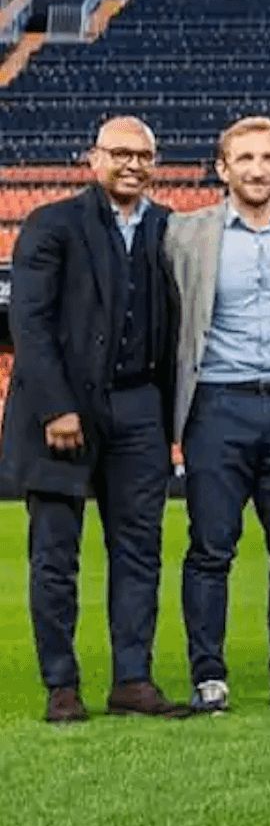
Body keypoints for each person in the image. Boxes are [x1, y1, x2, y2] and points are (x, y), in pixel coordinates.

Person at [4, 116, 187, 722]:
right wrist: (57, 407)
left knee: (139, 551)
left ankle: (132, 679)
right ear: (93, 159)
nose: (132, 164)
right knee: (55, 553)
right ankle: (61, 684)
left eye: (144, 155)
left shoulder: (168, 228)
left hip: (139, 405)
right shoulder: (51, 223)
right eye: (120, 153)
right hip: (61, 410)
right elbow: (29, 324)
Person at [165, 116, 270, 716]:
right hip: (217, 405)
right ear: (222, 168)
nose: (258, 169)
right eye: (246, 159)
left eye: (269, 158)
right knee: (211, 546)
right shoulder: (186, 234)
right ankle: (208, 674)